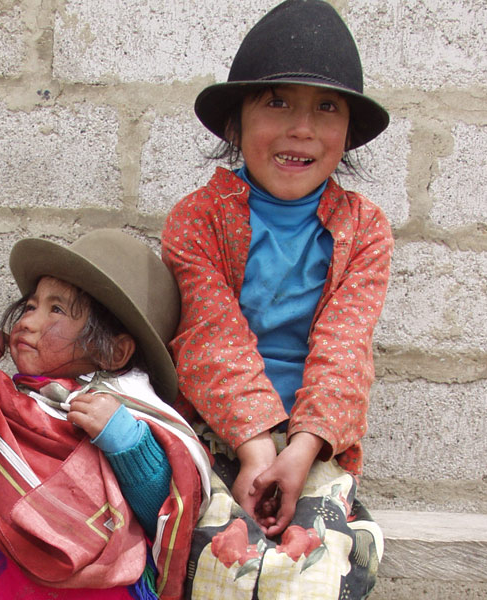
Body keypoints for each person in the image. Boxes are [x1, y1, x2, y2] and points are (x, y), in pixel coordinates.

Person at [161, 1, 392, 598]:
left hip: (313, 441)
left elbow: (344, 350)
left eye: (326, 107)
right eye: (277, 102)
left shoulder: (363, 229)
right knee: (212, 556)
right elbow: (211, 338)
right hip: (215, 430)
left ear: (346, 131)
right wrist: (256, 449)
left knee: (315, 565)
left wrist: (299, 454)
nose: (302, 129)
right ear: (236, 121)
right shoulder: (199, 220)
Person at [0, 229, 210, 600]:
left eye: (56, 309)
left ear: (115, 353)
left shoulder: (130, 413)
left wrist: (127, 443)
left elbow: (165, 509)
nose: (28, 321)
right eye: (30, 306)